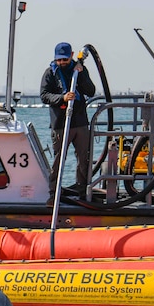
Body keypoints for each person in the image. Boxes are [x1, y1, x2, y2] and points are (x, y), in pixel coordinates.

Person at [40, 42, 96, 206]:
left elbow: (91, 91)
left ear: (71, 55)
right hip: (60, 123)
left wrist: (81, 75)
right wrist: (62, 98)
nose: (62, 63)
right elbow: (44, 95)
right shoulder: (50, 73)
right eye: (59, 60)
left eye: (65, 59)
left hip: (79, 121)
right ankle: (53, 194)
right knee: (58, 160)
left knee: (83, 159)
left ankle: (83, 193)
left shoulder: (79, 70)